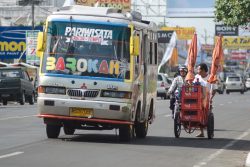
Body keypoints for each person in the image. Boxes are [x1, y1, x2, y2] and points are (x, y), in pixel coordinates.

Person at [194, 63, 217, 137]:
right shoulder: (197, 76)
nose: (197, 71)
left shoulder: (211, 77)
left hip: (206, 99)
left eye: (199, 69)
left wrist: (210, 98)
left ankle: (210, 131)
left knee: (206, 114)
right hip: (197, 98)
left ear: (203, 70)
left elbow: (214, 90)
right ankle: (201, 132)